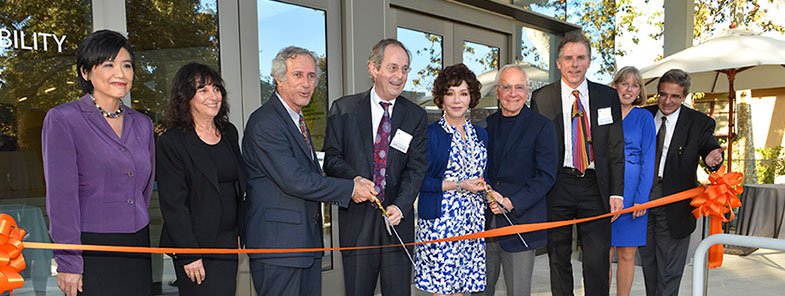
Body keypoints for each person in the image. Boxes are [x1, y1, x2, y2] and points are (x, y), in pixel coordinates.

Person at [242, 46, 377, 296]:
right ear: (279, 78)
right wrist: (350, 188)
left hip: (305, 245)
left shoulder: (295, 120)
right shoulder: (265, 123)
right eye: (298, 75)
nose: (306, 83)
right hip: (280, 250)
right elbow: (296, 181)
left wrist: (353, 179)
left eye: (312, 76)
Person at [42, 29, 154, 296]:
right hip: (92, 248)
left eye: (127, 65)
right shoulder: (64, 119)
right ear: (86, 72)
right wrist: (69, 260)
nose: (121, 73)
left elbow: (145, 187)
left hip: (138, 244)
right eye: (109, 64)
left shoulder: (143, 124)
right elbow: (61, 198)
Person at [323, 39, 428, 296]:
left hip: (397, 223)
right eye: (393, 67)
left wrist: (401, 206)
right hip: (357, 222)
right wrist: (355, 181)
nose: (400, 76)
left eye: (405, 69)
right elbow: (332, 159)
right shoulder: (343, 109)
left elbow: (416, 168)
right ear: (374, 69)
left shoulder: (415, 115)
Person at [530, 31, 626, 296]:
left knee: (596, 260)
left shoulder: (607, 97)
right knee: (558, 258)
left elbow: (616, 147)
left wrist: (617, 192)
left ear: (589, 61)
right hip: (557, 186)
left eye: (580, 58)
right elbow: (536, 151)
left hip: (596, 187)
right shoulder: (541, 98)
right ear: (558, 62)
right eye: (568, 58)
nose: (574, 64)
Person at [156, 63, 245, 295]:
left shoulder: (228, 132)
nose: (213, 96)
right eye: (203, 90)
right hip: (195, 245)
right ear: (186, 97)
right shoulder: (172, 142)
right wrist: (190, 254)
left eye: (216, 89)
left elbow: (237, 186)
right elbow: (173, 205)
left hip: (228, 242)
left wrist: (240, 232)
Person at [639, 69, 723, 296]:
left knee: (669, 271)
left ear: (685, 96)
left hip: (675, 205)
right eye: (663, 94)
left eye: (675, 96)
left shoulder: (699, 123)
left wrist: (713, 157)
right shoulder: (642, 116)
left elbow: (710, 147)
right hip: (641, 203)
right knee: (649, 266)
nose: (667, 101)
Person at [478, 64, 558, 296]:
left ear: (528, 91)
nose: (513, 93)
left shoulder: (542, 126)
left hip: (521, 223)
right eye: (507, 87)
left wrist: (511, 202)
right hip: (485, 224)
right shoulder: (485, 126)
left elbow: (546, 176)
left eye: (519, 87)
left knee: (518, 292)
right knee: (480, 291)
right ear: (498, 91)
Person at [415, 63, 489, 295]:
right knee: (445, 291)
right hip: (441, 225)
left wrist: (487, 189)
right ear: (441, 98)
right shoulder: (431, 134)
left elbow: (482, 173)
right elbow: (419, 180)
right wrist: (459, 185)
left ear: (471, 98)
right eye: (450, 93)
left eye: (463, 93)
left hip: (472, 223)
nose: (457, 100)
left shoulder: (480, 134)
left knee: (463, 290)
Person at [608, 66, 656, 296]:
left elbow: (649, 160)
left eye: (635, 85)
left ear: (639, 91)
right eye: (624, 83)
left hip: (634, 192)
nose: (629, 89)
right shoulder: (603, 113)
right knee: (602, 253)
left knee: (627, 253)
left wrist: (642, 199)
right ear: (615, 85)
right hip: (605, 190)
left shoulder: (645, 117)